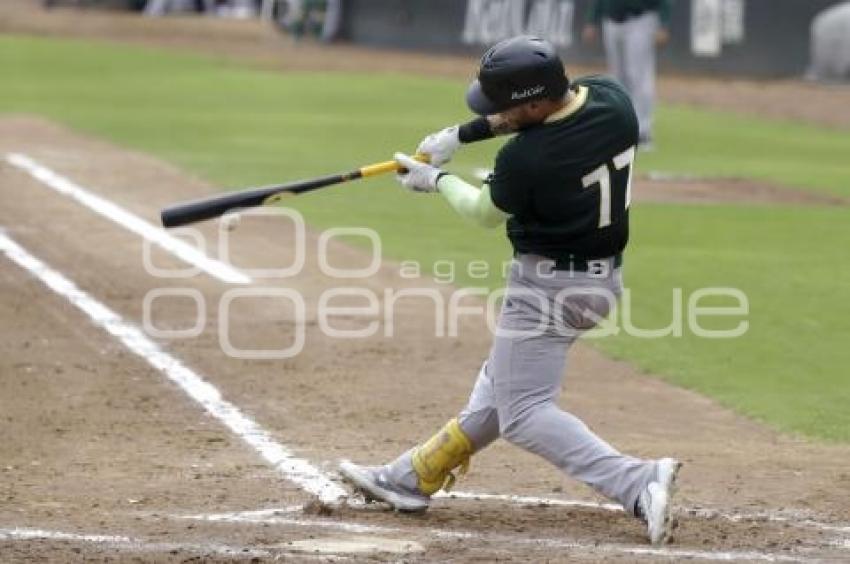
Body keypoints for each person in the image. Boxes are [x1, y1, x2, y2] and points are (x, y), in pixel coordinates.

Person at [339, 36, 682, 546]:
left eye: (503, 106)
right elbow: (536, 112)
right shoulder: (612, 99)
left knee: (523, 414)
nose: (495, 114)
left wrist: (435, 179)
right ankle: (411, 477)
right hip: (600, 280)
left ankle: (637, 481)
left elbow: (482, 212)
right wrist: (460, 133)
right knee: (501, 390)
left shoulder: (528, 159)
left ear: (534, 103)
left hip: (547, 289)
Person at [582, 0, 671, 148]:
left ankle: (643, 130)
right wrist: (592, 20)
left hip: (641, 20)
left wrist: (664, 24)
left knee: (639, 77)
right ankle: (621, 127)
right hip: (611, 21)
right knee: (616, 78)